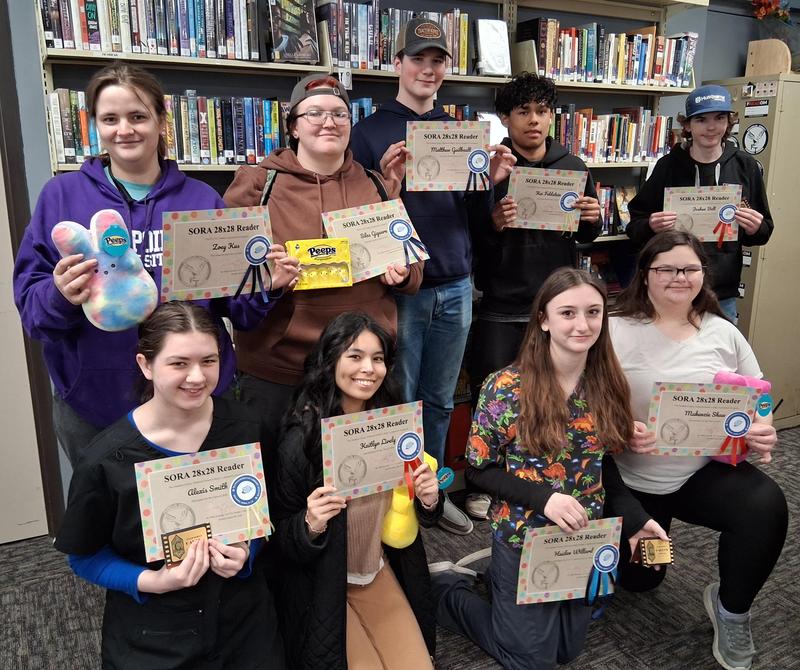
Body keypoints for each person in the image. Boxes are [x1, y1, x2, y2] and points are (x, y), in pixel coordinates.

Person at [13, 63, 296, 466]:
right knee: (111, 525)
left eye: (138, 116)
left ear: (162, 122)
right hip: (93, 401)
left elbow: (239, 312)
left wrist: (267, 284)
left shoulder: (201, 200)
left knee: (194, 524)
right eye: (109, 119)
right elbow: (33, 313)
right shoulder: (61, 196)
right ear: (94, 125)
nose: (124, 130)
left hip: (192, 401)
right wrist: (59, 295)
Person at [435, 268, 664, 670]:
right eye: (568, 313)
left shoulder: (607, 381)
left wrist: (636, 519)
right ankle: (447, 589)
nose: (582, 324)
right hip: (524, 533)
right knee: (528, 661)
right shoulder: (507, 386)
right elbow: (478, 469)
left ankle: (496, 583)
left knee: (567, 651)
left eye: (593, 312)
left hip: (583, 536)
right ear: (543, 319)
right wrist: (547, 499)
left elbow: (602, 465)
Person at [350, 17, 516, 534]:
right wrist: (390, 186)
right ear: (398, 64)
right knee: (397, 398)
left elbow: (473, 216)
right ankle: (393, 494)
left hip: (456, 284)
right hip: (401, 288)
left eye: (437, 60)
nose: (427, 68)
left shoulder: (461, 130)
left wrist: (493, 184)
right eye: (417, 58)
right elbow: (357, 214)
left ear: (446, 68)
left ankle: (432, 492)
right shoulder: (368, 131)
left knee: (441, 399)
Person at [53, 302, 285, 668]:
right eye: (179, 363)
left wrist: (248, 553)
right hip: (155, 634)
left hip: (244, 623)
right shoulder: (107, 458)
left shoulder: (247, 428)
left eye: (209, 361)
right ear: (146, 365)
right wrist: (153, 581)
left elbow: (267, 517)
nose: (197, 377)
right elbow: (85, 557)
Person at [606, 230, 787, 670]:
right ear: (644, 274)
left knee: (766, 504)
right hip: (629, 482)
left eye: (689, 268)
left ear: (703, 275)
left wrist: (762, 427)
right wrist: (618, 428)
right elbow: (581, 404)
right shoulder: (613, 328)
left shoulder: (722, 332)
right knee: (641, 582)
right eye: (665, 268)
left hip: (695, 475)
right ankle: (636, 541)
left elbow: (760, 396)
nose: (678, 277)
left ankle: (731, 609)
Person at [223, 73, 422, 443]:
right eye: (314, 113)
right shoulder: (257, 186)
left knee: (350, 489)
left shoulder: (376, 185)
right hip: (279, 370)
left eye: (340, 114)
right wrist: (268, 281)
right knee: (280, 484)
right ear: (293, 127)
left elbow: (414, 268)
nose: (329, 122)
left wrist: (402, 273)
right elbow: (227, 283)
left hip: (359, 373)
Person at [272, 312, 443, 669]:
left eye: (377, 358)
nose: (368, 368)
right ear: (330, 360)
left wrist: (429, 500)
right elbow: (280, 541)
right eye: (355, 356)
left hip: (377, 570)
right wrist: (310, 524)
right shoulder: (301, 439)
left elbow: (409, 519)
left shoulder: (394, 424)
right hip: (325, 583)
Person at [467, 71, 602, 520]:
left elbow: (585, 238)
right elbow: (475, 242)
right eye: (522, 111)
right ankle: (484, 481)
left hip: (556, 308)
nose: (533, 121)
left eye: (541, 111)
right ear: (505, 117)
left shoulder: (573, 167)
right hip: (502, 304)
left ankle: (546, 477)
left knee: (557, 398)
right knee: (495, 398)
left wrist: (592, 219)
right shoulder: (490, 170)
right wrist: (494, 224)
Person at [625, 84, 773, 323]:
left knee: (717, 359)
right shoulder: (668, 166)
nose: (712, 127)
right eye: (701, 119)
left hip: (721, 294)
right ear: (687, 125)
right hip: (671, 290)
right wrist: (651, 225)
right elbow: (634, 226)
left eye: (720, 118)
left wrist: (756, 227)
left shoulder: (745, 167)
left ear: (729, 122)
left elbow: (764, 231)